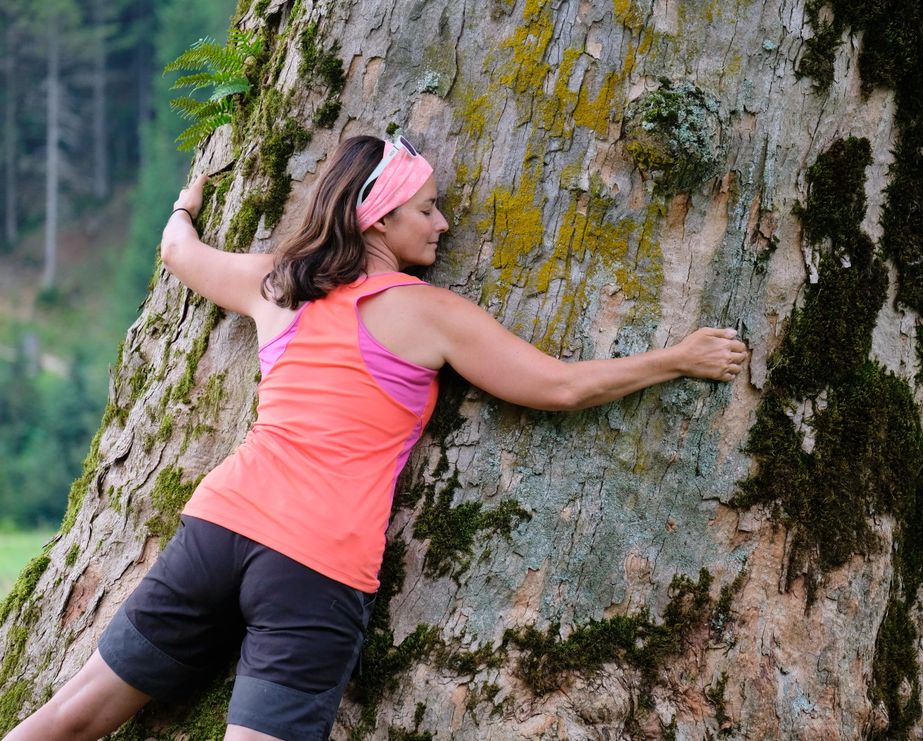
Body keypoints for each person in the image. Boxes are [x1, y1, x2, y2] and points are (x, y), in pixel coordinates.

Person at [4, 134, 748, 741]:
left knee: (71, 716)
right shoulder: (425, 314)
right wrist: (675, 358)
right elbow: (557, 386)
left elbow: (177, 252)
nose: (442, 223)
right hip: (314, 566)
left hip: (218, 528)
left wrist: (183, 204)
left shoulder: (277, 284)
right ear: (379, 218)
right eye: (427, 208)